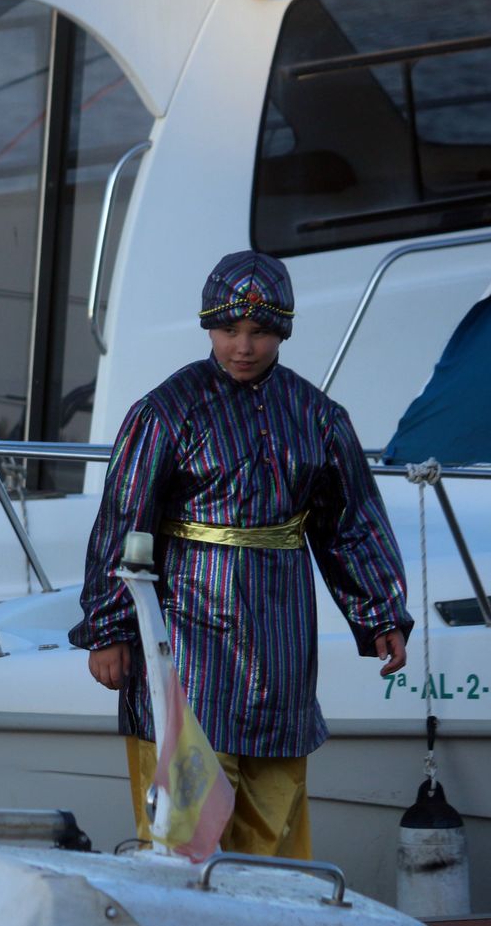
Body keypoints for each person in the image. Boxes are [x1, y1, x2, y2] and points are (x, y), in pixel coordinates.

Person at [69, 249, 411, 860]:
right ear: (209, 326)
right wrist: (109, 628)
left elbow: (349, 522)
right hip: (184, 640)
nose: (244, 346)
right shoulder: (164, 412)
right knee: (184, 824)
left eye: (259, 332)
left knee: (275, 818)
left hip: (282, 640)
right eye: (230, 330)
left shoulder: (319, 418)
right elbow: (123, 522)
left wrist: (380, 611)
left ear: (282, 331)